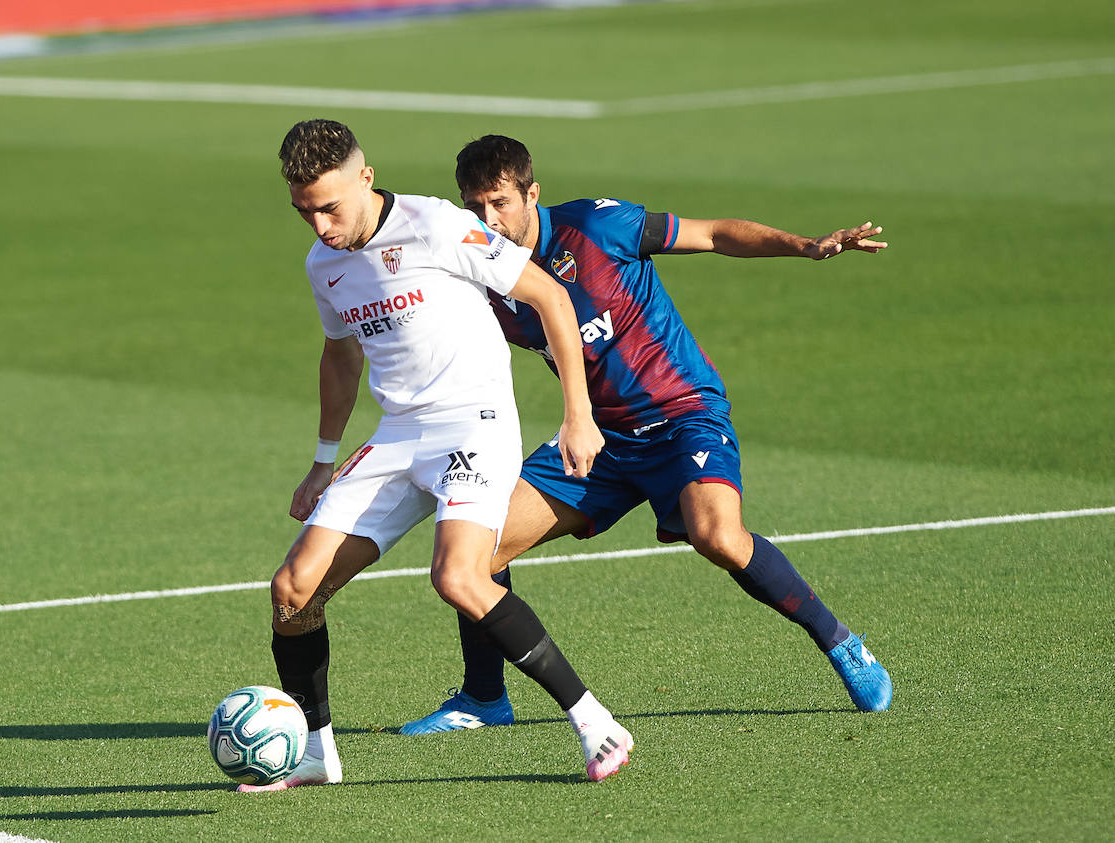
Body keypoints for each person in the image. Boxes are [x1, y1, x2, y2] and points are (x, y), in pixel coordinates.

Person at [401, 135, 893, 736]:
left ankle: (840, 642)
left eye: (500, 202)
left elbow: (711, 234)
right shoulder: (484, 277)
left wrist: (806, 247)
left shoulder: (598, 226)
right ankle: (484, 697)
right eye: (474, 206)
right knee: (479, 552)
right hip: (598, 438)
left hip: (682, 414)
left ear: (532, 193)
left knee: (717, 536)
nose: (488, 220)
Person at [240, 119, 631, 792]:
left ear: (365, 177)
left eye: (330, 206)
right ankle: (313, 753)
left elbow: (548, 295)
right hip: (400, 434)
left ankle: (596, 721)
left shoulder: (438, 225)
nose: (320, 225)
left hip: (474, 423)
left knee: (458, 576)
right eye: (304, 210)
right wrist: (322, 457)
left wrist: (577, 413)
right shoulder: (323, 265)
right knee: (293, 590)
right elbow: (340, 355)